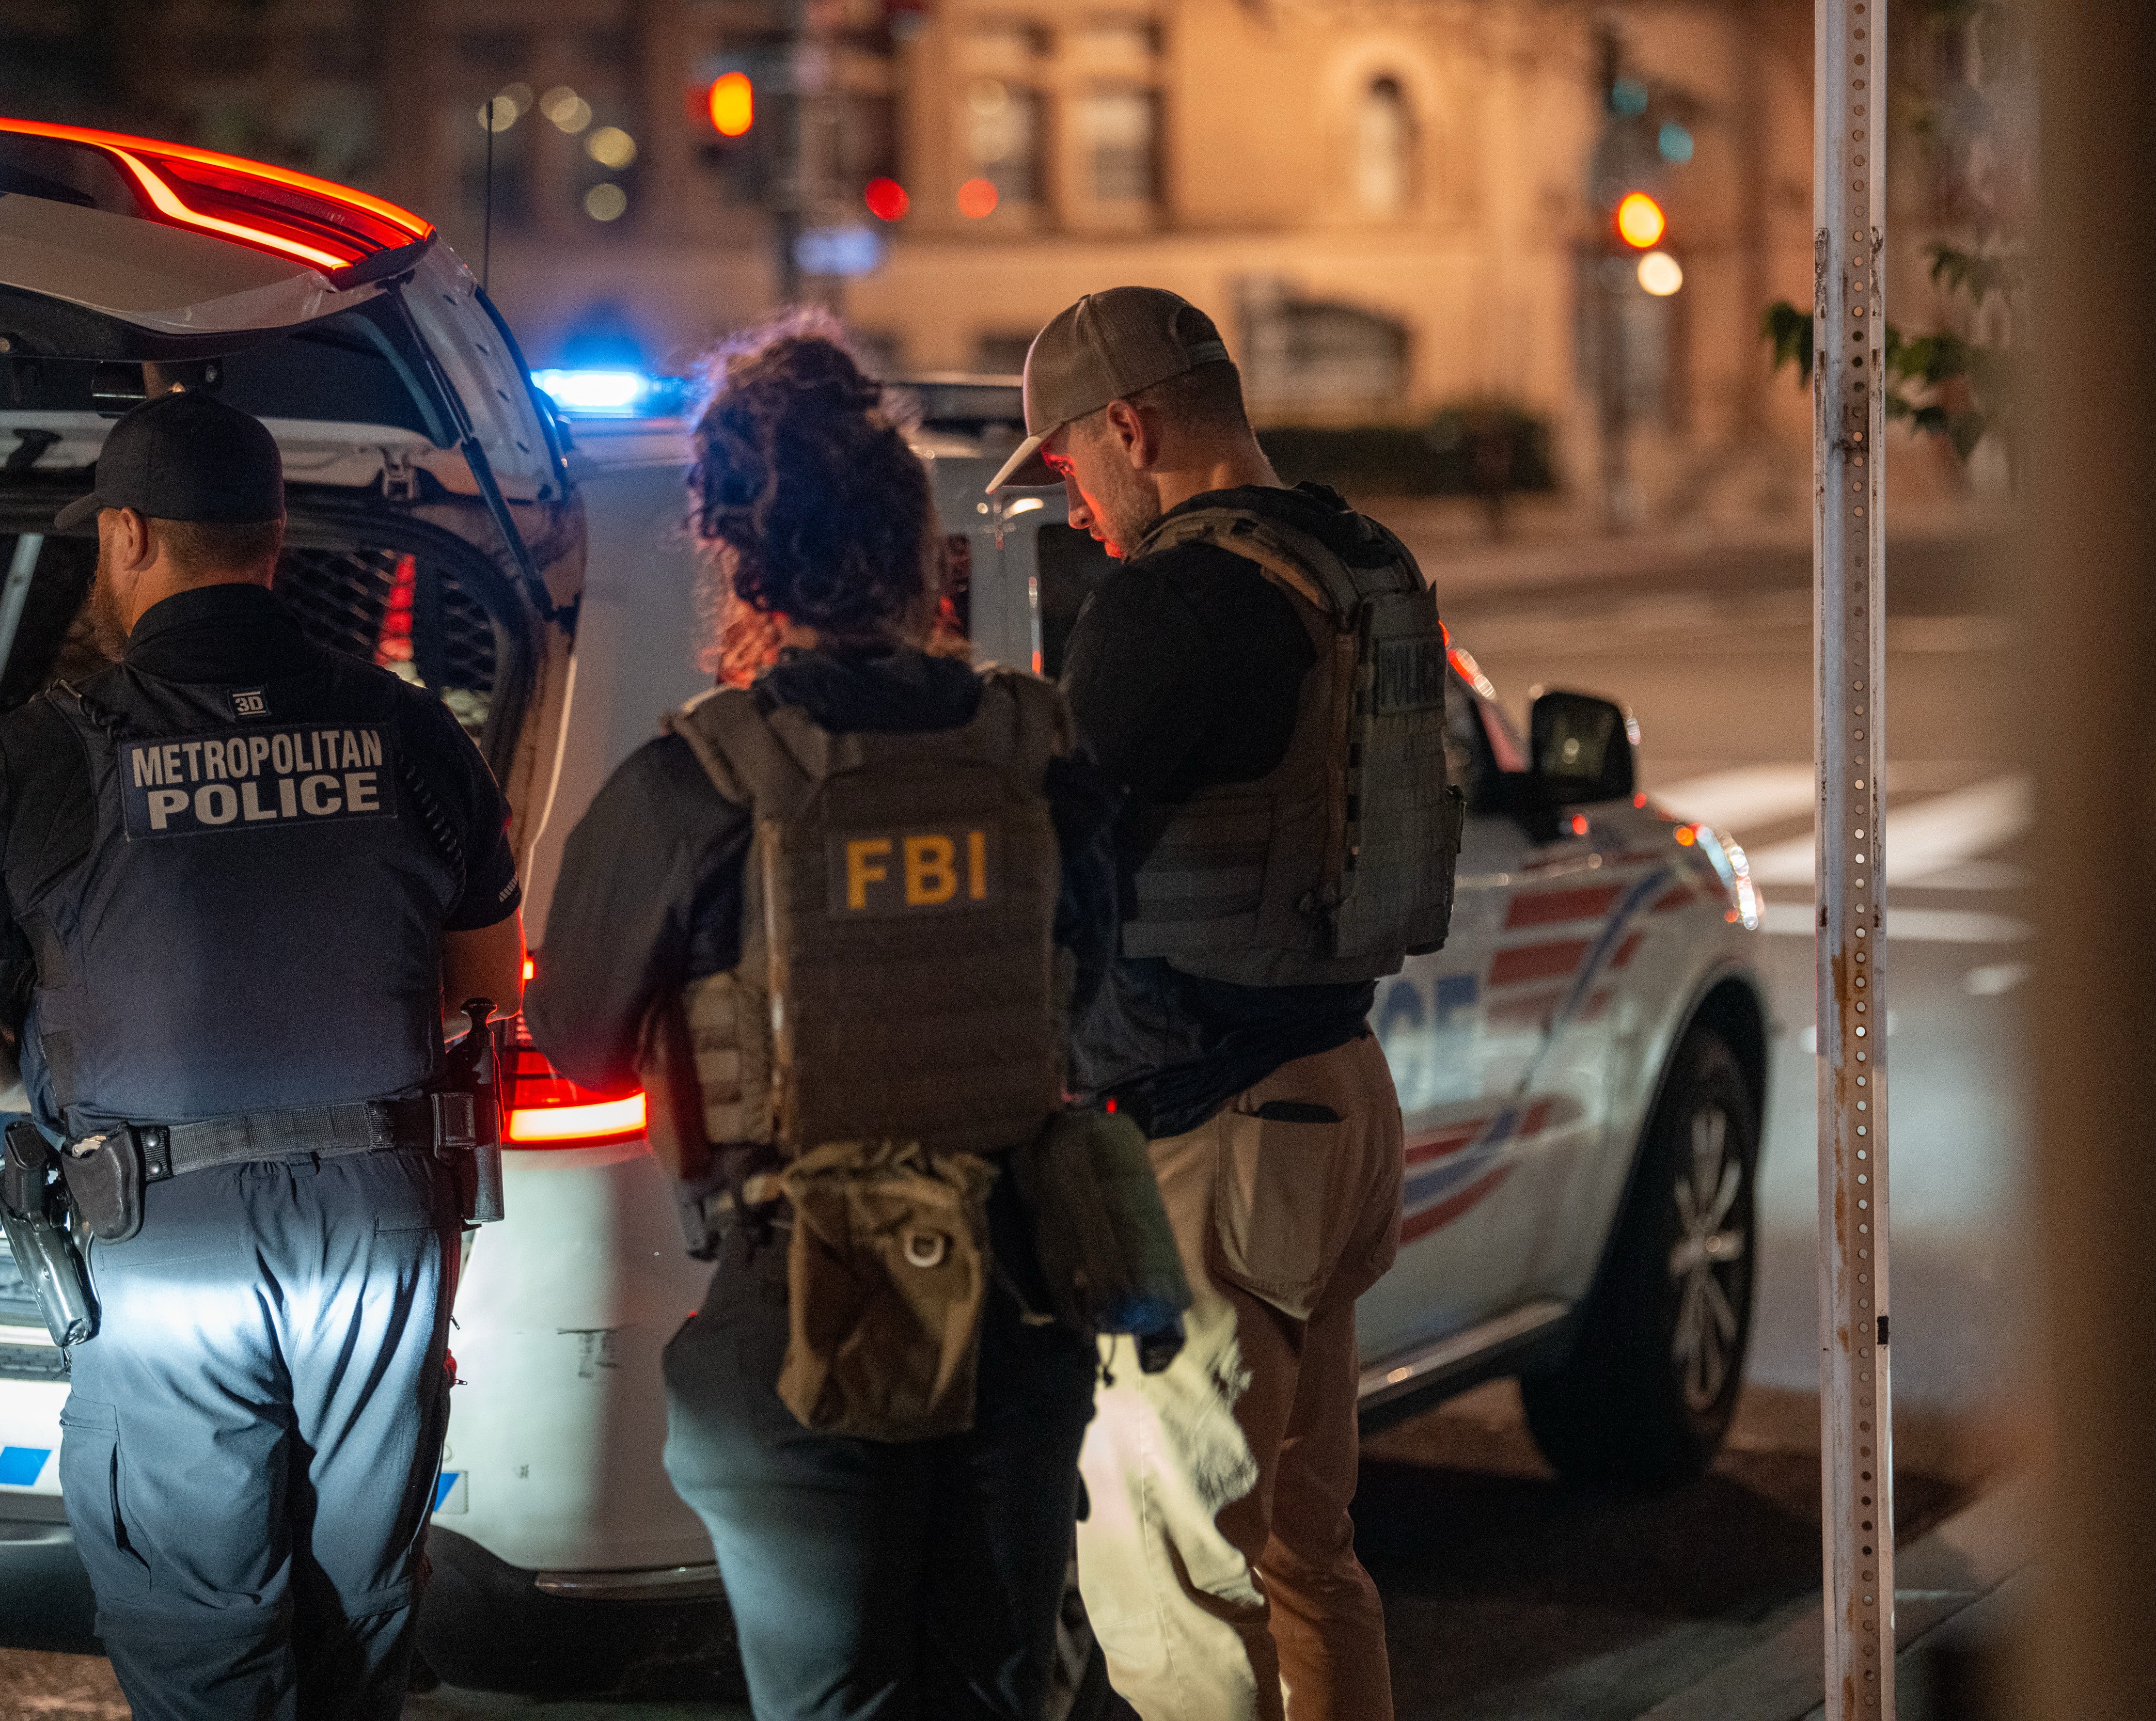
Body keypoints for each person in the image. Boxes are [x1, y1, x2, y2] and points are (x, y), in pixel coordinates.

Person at [0, 389, 523, 1721]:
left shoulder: (35, 759)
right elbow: (481, 992)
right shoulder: (413, 735)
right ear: (273, 538)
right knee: (359, 1604)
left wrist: (70, 1088)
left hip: (168, 1238)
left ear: (126, 537)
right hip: (379, 1237)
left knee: (200, 1630)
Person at [525, 320, 1118, 1721]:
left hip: (801, 1316)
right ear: (930, 564)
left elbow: (582, 1042)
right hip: (1021, 1298)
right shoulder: (1038, 754)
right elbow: (1094, 989)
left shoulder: (696, 783)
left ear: (745, 567)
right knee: (997, 1691)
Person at [987, 287, 1459, 1721]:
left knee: (1179, 1594)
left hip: (1206, 1141)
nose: (1073, 504)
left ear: (1128, 425)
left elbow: (1058, 859)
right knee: (1307, 1560)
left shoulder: (1174, 600)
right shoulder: (1355, 559)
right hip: (1333, 1099)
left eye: (1069, 462)